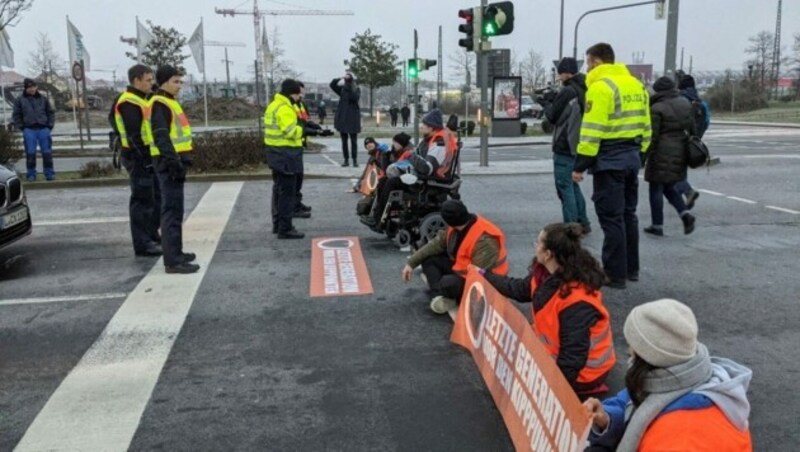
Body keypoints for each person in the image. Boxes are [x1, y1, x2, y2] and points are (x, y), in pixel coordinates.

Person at [584, 298, 753, 451]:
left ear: (648, 358)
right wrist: (606, 419)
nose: (629, 351)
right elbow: (629, 402)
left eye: (633, 350)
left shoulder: (680, 436)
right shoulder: (675, 378)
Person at [481, 223, 615, 398]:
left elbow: (572, 359)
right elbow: (519, 289)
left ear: (548, 254)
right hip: (562, 358)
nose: (535, 247)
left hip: (586, 374)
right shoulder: (546, 275)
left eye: (538, 243)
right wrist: (484, 275)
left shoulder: (576, 301)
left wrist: (551, 394)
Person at [572, 43, 651, 289]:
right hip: (632, 158)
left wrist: (580, 166)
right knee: (629, 215)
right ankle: (631, 269)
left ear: (596, 62)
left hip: (609, 161)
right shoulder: (636, 85)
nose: (586, 68)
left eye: (587, 63)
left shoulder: (600, 88)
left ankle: (614, 273)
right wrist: (641, 156)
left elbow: (591, 131)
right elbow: (647, 127)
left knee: (611, 218)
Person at [401, 200, 509, 314]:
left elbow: (478, 276)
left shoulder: (484, 240)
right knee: (430, 260)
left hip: (487, 280)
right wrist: (411, 263)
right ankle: (442, 295)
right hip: (464, 270)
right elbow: (435, 245)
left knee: (448, 282)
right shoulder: (456, 227)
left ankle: (444, 294)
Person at [363, 109, 458, 230]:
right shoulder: (430, 139)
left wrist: (410, 155)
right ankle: (378, 216)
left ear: (432, 128)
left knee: (391, 182)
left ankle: (378, 219)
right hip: (425, 176)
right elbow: (419, 157)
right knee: (383, 181)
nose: (421, 126)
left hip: (431, 179)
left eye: (424, 124)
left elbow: (427, 168)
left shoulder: (439, 143)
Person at [148, 65, 199, 274]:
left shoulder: (168, 102)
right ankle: (173, 261)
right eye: (175, 81)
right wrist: (174, 163)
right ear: (164, 82)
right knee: (171, 212)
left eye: (180, 82)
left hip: (172, 162)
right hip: (168, 163)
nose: (179, 85)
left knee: (175, 211)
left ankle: (176, 252)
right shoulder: (160, 104)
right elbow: (162, 136)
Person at [109, 64, 162, 257]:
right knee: (142, 201)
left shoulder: (140, 99)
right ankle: (143, 243)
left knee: (154, 198)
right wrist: (146, 160)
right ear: (136, 80)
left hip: (146, 156)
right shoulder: (129, 102)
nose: (152, 83)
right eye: (148, 80)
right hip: (138, 157)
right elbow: (134, 135)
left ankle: (151, 236)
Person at [265, 79, 323, 239]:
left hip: (275, 152)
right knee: (287, 193)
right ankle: (285, 228)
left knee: (278, 190)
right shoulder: (285, 108)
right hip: (286, 154)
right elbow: (291, 131)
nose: (299, 98)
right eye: (298, 94)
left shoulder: (273, 105)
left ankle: (278, 224)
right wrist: (309, 132)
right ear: (292, 93)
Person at [643, 76, 697, 236]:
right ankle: (685, 215)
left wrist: (643, 155)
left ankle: (657, 225)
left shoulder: (657, 107)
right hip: (681, 149)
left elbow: (653, 135)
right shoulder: (685, 103)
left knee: (656, 188)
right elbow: (693, 129)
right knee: (669, 186)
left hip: (660, 151)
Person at [543, 57, 591, 232]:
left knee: (564, 186)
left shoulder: (568, 91)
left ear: (566, 73)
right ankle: (583, 221)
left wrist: (547, 102)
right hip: (578, 143)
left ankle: (571, 226)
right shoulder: (583, 88)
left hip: (565, 143)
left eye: (560, 73)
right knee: (573, 184)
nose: (559, 77)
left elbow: (553, 117)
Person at [292, 82, 332, 218]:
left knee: (298, 178)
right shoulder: (290, 106)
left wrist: (318, 128)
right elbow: (298, 127)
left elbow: (305, 121)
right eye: (299, 93)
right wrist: (317, 133)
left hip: (298, 145)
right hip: (290, 147)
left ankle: (297, 203)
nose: (301, 95)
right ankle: (294, 207)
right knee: (293, 179)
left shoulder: (300, 105)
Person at [675, 73, 710, 210]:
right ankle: (679, 195)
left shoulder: (680, 99)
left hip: (678, 139)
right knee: (680, 169)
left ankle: (687, 191)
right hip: (693, 141)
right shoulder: (700, 101)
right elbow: (706, 121)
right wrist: (697, 137)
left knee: (671, 171)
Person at [13, 78, 56, 181]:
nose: (32, 89)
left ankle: (49, 173)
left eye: (33, 87)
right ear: (26, 88)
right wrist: (22, 127)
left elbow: (50, 112)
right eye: (29, 87)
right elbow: (16, 115)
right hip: (29, 129)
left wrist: (49, 126)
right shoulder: (20, 100)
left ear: (36, 87)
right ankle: (31, 174)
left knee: (47, 152)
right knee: (30, 152)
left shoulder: (43, 99)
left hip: (43, 129)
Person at [330, 73, 361, 167]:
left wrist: (349, 86)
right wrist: (340, 78)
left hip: (352, 118)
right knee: (344, 141)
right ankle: (346, 159)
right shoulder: (342, 89)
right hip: (343, 117)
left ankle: (355, 160)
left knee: (353, 141)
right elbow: (332, 85)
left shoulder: (356, 89)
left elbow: (354, 98)